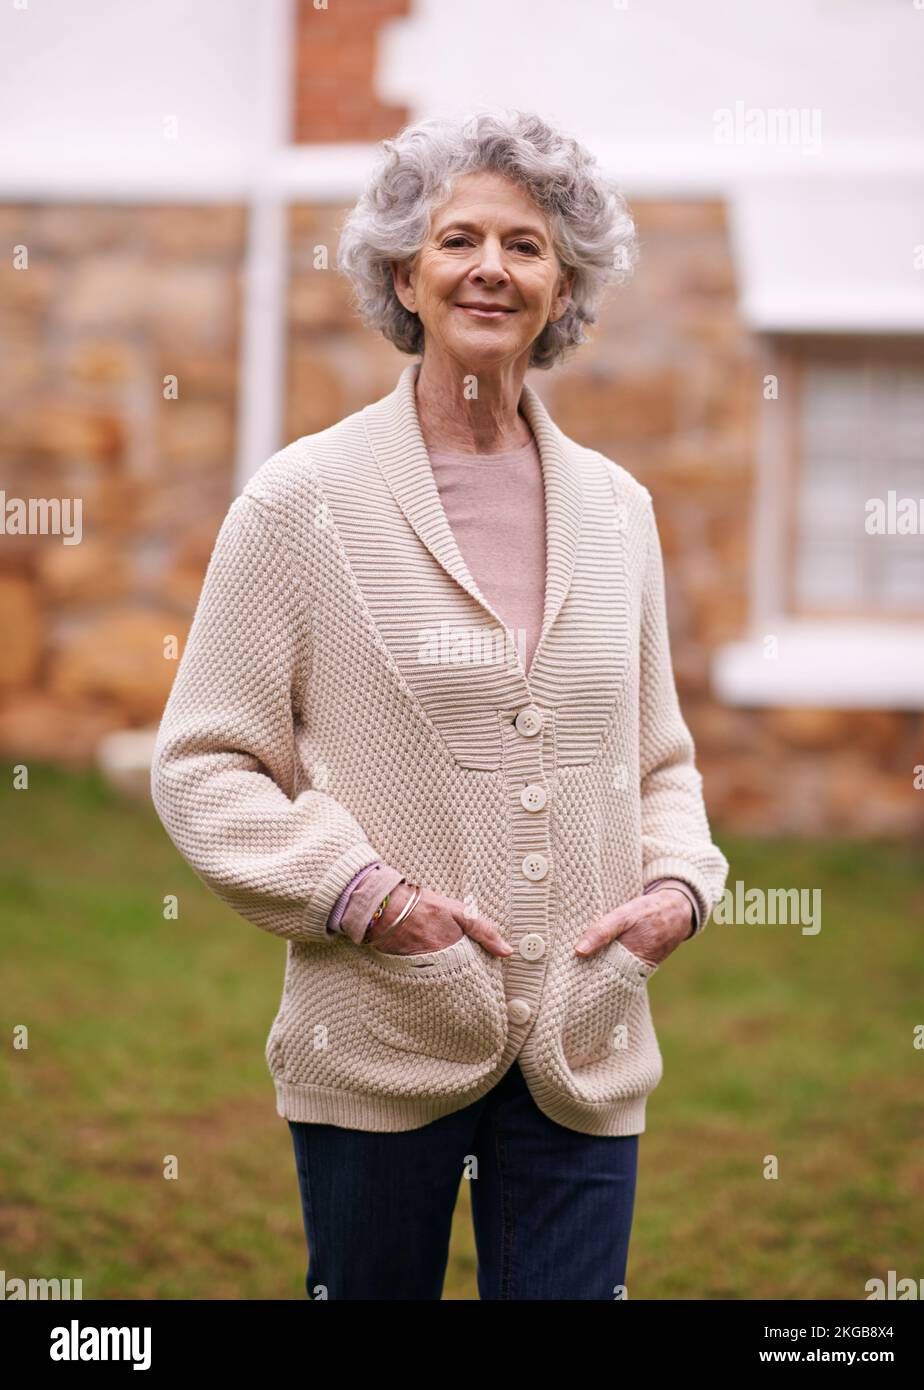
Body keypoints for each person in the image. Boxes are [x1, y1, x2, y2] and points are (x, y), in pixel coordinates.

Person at [150, 108, 729, 1301]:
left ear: (562, 284)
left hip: (584, 1036)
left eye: (524, 245)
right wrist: (369, 900)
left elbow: (657, 757)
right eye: (456, 238)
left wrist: (677, 889)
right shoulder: (300, 499)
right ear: (403, 275)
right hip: (377, 1036)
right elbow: (203, 761)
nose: (488, 268)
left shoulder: (619, 509)